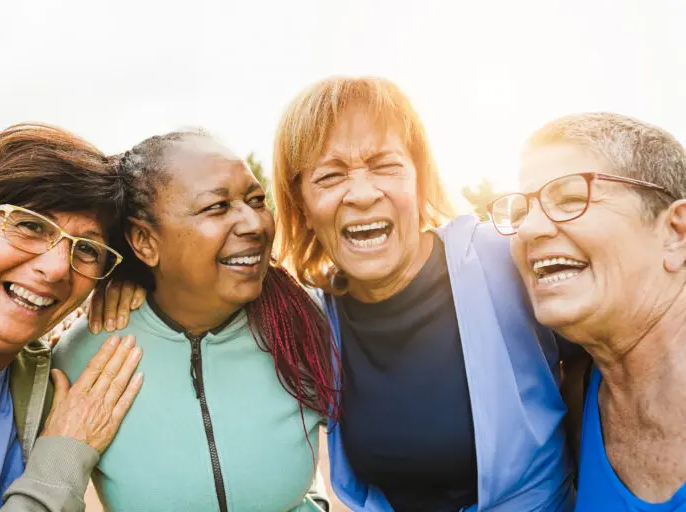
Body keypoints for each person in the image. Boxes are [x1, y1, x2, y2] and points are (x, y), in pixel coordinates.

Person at [271, 77, 575, 511]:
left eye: (385, 165)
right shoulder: (315, 318)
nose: (361, 194)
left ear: (419, 179)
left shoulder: (504, 256)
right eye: (330, 175)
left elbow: (606, 353)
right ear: (300, 202)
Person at [53, 130, 337, 511]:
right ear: (144, 241)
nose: (254, 223)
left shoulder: (303, 325)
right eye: (217, 207)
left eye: (256, 200)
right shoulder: (82, 359)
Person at [0, 123, 143, 512]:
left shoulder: (51, 383)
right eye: (30, 225)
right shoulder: (65, 424)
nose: (57, 268)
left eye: (87, 250)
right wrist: (61, 462)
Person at [491, 112, 686, 511]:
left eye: (570, 200)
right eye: (521, 212)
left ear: (675, 234)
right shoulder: (573, 399)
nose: (528, 229)